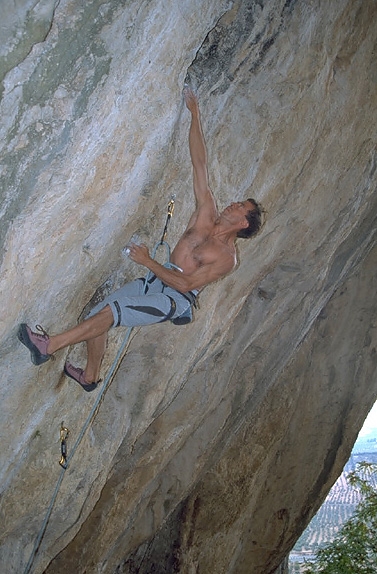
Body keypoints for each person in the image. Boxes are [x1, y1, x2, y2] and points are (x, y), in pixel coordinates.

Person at [18, 87, 262, 391]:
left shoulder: (227, 258)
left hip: (174, 299)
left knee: (111, 314)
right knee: (99, 315)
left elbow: (186, 284)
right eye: (239, 201)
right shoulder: (206, 213)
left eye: (241, 207)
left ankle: (49, 345)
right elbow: (199, 165)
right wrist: (195, 114)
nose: (234, 204)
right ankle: (90, 377)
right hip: (157, 281)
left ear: (242, 223)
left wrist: (147, 261)